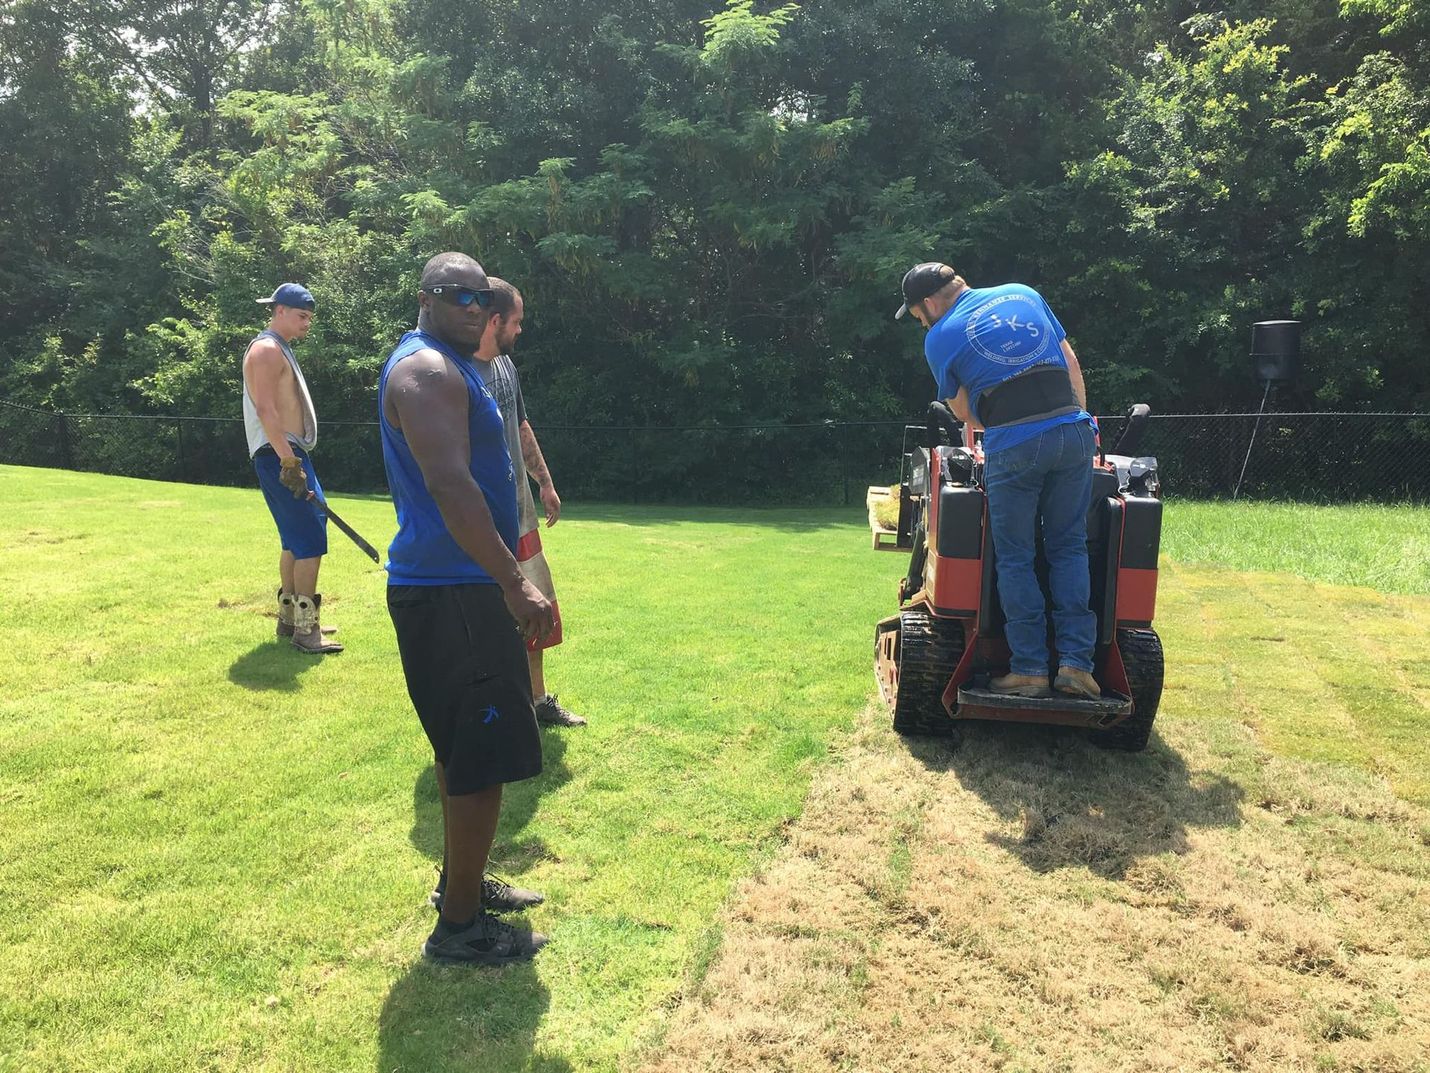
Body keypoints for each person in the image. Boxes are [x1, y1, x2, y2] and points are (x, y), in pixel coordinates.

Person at [379, 251, 556, 965]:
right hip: (455, 587)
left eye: (482, 297)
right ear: (425, 298)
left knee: (463, 751)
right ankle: (459, 929)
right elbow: (451, 486)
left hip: (457, 584)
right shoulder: (425, 371)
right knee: (480, 760)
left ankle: (464, 883)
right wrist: (515, 583)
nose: (474, 308)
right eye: (457, 296)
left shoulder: (451, 364)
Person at [896, 261, 1101, 700]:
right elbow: (1070, 364)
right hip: (1074, 430)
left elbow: (967, 413)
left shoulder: (940, 337)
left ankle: (1028, 669)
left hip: (1015, 441)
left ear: (930, 304)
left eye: (917, 316)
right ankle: (1076, 667)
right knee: (1069, 546)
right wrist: (1080, 427)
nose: (921, 324)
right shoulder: (1022, 292)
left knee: (1015, 556)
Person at [472, 278, 586, 728]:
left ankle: (537, 704)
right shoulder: (456, 371)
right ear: (494, 320)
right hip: (480, 523)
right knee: (487, 619)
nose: (520, 331)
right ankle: (494, 711)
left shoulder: (505, 369)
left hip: (520, 516)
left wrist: (545, 481)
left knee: (537, 612)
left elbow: (520, 423)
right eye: (516, 321)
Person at [242, 283, 343, 654]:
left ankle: (290, 620)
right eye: (302, 316)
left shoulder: (275, 348)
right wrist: (288, 460)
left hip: (283, 452)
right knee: (310, 539)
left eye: (309, 318)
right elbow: (265, 410)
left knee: (295, 538)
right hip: (279, 454)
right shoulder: (267, 350)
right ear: (279, 310)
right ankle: (306, 629)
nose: (307, 324)